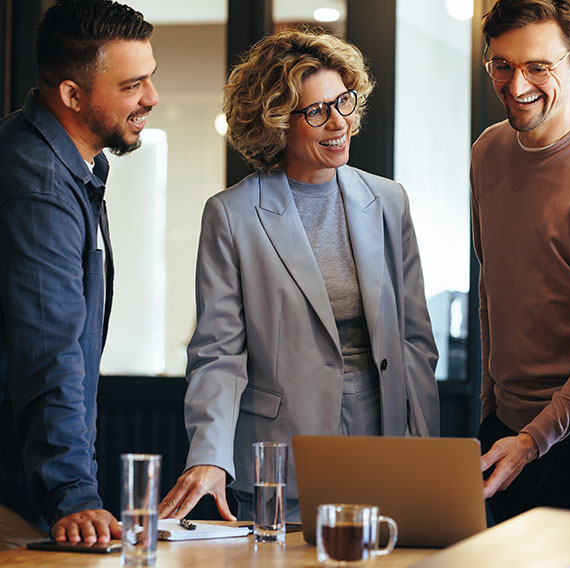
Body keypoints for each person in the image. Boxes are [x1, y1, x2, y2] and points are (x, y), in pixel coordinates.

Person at [158, 28, 439, 523]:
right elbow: (217, 352)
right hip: (281, 452)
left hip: (384, 442)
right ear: (276, 123)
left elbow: (416, 342)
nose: (339, 122)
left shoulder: (388, 200)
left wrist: (424, 452)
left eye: (344, 102)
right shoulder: (232, 214)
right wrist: (209, 454)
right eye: (316, 111)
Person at [0, 0, 157, 551]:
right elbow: (50, 349)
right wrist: (73, 493)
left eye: (151, 79)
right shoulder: (39, 183)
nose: (151, 99)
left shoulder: (67, 164)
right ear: (72, 94)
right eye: (133, 84)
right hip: (17, 494)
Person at [472, 0, 570, 523]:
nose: (517, 87)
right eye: (502, 66)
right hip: (502, 433)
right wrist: (492, 410)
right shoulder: (487, 151)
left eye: (539, 67)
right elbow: (491, 287)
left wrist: (534, 439)